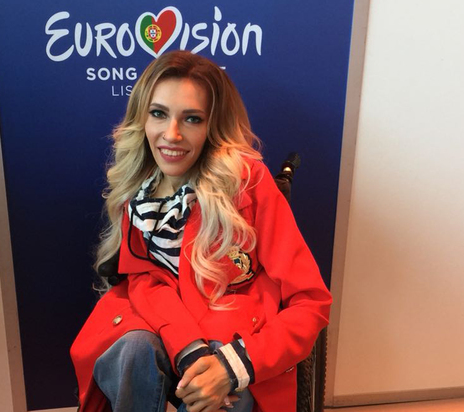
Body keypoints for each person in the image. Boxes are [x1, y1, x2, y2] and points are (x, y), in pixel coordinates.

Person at [70, 50, 332, 412]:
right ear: (142, 117)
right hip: (158, 324)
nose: (171, 135)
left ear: (213, 125)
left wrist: (232, 366)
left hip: (234, 335)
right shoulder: (138, 191)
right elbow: (145, 280)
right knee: (132, 352)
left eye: (191, 119)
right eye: (158, 113)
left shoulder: (248, 183)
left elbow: (310, 302)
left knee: (225, 395)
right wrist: (188, 348)